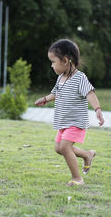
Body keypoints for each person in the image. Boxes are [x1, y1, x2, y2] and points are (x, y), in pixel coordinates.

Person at [35, 38, 104, 187]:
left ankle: (77, 178)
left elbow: (90, 93)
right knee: (58, 148)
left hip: (76, 121)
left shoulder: (80, 78)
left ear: (65, 60)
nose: (51, 65)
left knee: (65, 147)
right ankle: (87, 154)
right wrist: (46, 99)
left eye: (53, 62)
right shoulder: (60, 78)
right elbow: (55, 93)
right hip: (63, 121)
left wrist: (97, 109)